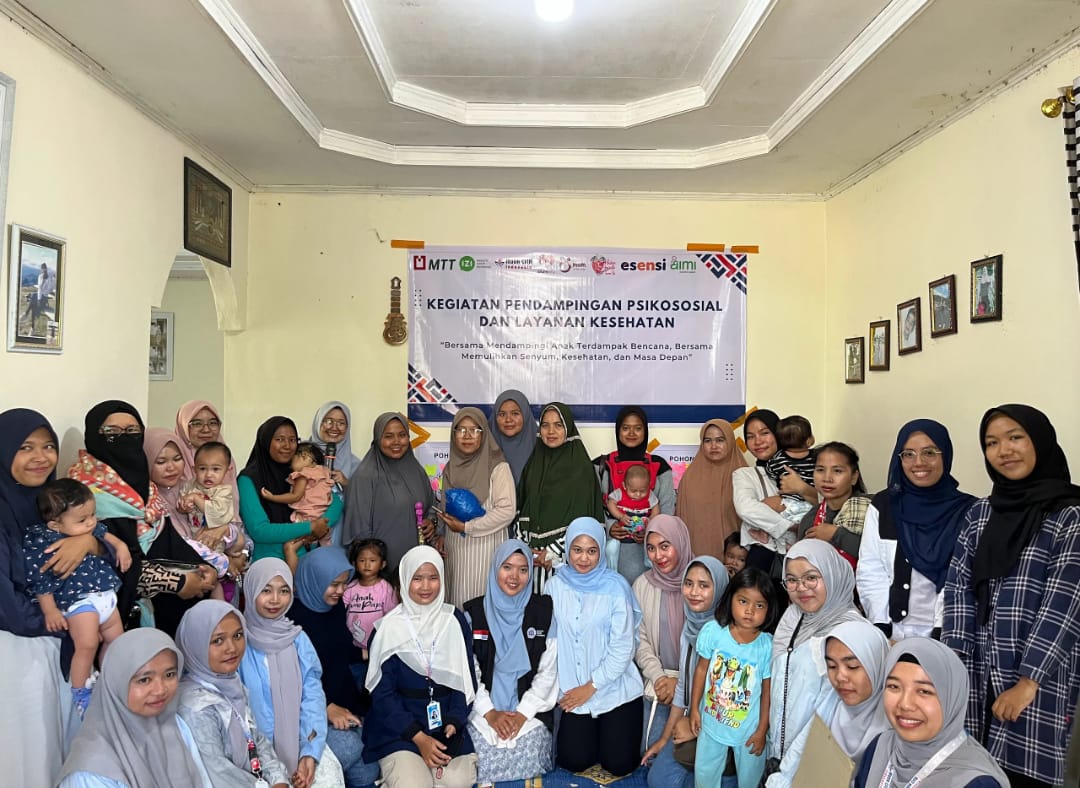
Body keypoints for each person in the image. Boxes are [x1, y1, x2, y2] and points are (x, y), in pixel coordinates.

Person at [943, 404, 1080, 788]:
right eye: (992, 442)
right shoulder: (981, 513)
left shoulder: (1069, 516)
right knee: (975, 768)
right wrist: (955, 661)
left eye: (1015, 437)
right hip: (977, 668)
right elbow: (958, 588)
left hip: (1038, 676)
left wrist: (1029, 681)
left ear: (1040, 441)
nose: (1004, 450)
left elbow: (1065, 604)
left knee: (1025, 771)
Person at [1, 408, 107, 785]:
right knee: (30, 758)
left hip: (65, 645)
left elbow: (111, 560)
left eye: (48, 446)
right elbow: (6, 603)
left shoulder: (56, 501)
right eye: (25, 447)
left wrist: (89, 543)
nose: (40, 457)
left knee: (64, 751)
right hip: (18, 653)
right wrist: (63, 623)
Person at [70, 401, 217, 636]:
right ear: (95, 436)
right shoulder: (81, 495)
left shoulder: (146, 488)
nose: (124, 438)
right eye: (112, 432)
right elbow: (108, 563)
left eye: (132, 431)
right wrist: (175, 582)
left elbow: (169, 540)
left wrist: (204, 568)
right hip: (114, 619)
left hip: (166, 608)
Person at [363, 546, 478, 787]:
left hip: (443, 725)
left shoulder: (454, 621)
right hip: (400, 729)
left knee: (457, 782)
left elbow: (466, 679)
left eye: (433, 577)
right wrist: (418, 737)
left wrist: (454, 721)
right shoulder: (387, 629)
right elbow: (383, 696)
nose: (426, 586)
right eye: (417, 578)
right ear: (404, 580)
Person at [858, 420, 975, 640]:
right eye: (908, 454)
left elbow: (962, 578)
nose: (919, 462)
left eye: (929, 453)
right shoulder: (885, 505)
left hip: (947, 632)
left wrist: (942, 631)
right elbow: (871, 569)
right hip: (892, 632)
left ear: (946, 455)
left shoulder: (969, 510)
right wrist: (882, 626)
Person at [546, 517, 644, 777]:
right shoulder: (554, 586)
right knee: (573, 760)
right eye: (577, 550)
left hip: (614, 689)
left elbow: (623, 648)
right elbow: (551, 642)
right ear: (568, 549)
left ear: (601, 551)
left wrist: (590, 687)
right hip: (573, 690)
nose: (583, 558)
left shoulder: (616, 587)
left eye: (592, 551)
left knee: (620, 764)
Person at [24, 479, 131, 716]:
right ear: (55, 524)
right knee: (87, 644)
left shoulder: (90, 528)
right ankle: (80, 691)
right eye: (82, 520)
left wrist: (121, 546)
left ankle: (110, 679)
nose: (91, 522)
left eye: (92, 514)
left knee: (116, 641)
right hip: (79, 602)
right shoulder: (43, 541)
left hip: (105, 595)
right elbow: (40, 579)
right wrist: (50, 610)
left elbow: (107, 536)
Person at [57, 628, 213, 788]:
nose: (160, 690)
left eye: (169, 675)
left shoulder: (176, 727)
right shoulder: (90, 773)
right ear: (117, 682)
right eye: (144, 680)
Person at [765, 540, 865, 788]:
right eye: (791, 580)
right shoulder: (794, 615)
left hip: (814, 760)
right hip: (778, 752)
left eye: (811, 578)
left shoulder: (850, 633)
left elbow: (828, 713)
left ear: (831, 574)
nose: (801, 588)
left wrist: (786, 773)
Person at [281, 547, 378, 787]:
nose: (341, 591)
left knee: (369, 770)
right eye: (334, 584)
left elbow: (340, 646)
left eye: (344, 584)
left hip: (345, 696)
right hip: (310, 708)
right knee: (350, 749)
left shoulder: (334, 606)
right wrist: (326, 708)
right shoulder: (291, 619)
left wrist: (371, 654)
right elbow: (288, 679)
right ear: (315, 579)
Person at [462, 539, 557, 783]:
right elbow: (469, 671)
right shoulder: (473, 613)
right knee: (477, 755)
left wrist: (523, 713)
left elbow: (549, 671)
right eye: (507, 567)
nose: (514, 577)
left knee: (532, 752)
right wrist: (490, 713)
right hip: (484, 710)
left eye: (523, 569)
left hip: (529, 711)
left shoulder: (544, 611)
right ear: (495, 569)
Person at [855, 638, 1009, 788]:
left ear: (952, 698)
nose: (905, 704)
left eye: (924, 691)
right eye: (894, 686)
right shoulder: (880, 746)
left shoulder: (977, 782)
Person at [175, 600, 293, 788]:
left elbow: (256, 739)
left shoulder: (230, 684)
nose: (232, 648)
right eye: (218, 640)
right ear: (196, 644)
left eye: (238, 635)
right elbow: (219, 775)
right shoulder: (195, 706)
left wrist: (278, 780)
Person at [643, 556, 729, 788]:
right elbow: (683, 686)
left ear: (720, 588)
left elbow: (728, 702)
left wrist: (696, 727)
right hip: (693, 719)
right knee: (658, 780)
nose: (694, 592)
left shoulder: (728, 637)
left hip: (723, 728)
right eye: (688, 583)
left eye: (704, 585)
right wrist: (664, 738)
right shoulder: (690, 627)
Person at [691, 567, 778, 788]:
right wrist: (694, 708)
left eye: (759, 605)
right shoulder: (714, 632)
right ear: (731, 599)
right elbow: (701, 670)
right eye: (743, 601)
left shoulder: (767, 646)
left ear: (769, 609)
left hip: (749, 730)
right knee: (704, 773)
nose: (750, 611)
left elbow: (767, 692)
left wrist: (762, 730)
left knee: (750, 779)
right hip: (711, 721)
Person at [517, 403, 604, 591]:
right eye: (545, 425)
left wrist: (552, 552)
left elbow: (585, 520)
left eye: (558, 425)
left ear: (568, 429)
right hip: (531, 563)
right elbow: (521, 509)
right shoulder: (533, 465)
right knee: (535, 607)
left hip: (566, 560)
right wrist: (525, 548)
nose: (551, 431)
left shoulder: (581, 469)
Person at [340, 413, 436, 576]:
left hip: (417, 566)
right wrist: (373, 570)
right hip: (381, 571)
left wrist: (431, 523)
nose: (396, 442)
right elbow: (359, 530)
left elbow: (431, 506)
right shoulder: (365, 476)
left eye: (402, 435)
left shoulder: (416, 471)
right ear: (378, 439)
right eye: (388, 436)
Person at [439, 407, 516, 606]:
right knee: (457, 604)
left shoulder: (498, 467)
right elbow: (446, 507)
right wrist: (441, 534)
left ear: (484, 434)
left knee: (480, 608)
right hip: (455, 551)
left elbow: (507, 511)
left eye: (475, 430)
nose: (467, 436)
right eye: (461, 430)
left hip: (485, 551)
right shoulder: (450, 468)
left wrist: (467, 527)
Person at [144, 429, 241, 583]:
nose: (171, 467)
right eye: (161, 462)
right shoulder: (147, 499)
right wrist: (226, 562)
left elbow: (238, 536)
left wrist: (225, 529)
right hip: (178, 582)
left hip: (213, 572)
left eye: (177, 458)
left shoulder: (194, 486)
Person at [238, 417, 341, 562]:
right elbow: (260, 531)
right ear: (266, 441)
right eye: (280, 439)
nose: (287, 445)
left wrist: (321, 526)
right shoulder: (248, 479)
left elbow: (335, 502)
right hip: (270, 560)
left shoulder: (299, 471)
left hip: (307, 555)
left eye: (292, 440)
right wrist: (310, 527)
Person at [593, 406, 676, 582]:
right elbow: (592, 506)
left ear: (645, 431)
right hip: (610, 557)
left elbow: (667, 509)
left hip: (650, 557)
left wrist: (651, 531)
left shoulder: (660, 466)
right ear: (617, 430)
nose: (631, 433)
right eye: (625, 428)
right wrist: (610, 527)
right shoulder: (601, 465)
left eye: (638, 428)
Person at [632, 514, 693, 750]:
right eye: (651, 548)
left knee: (681, 752)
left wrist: (681, 682)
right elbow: (639, 640)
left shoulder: (701, 582)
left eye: (665, 546)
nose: (658, 556)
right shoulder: (642, 585)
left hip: (696, 683)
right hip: (659, 681)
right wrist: (659, 677)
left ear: (680, 541)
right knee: (647, 749)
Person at [733, 410, 808, 578]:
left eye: (765, 433)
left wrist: (800, 489)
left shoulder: (804, 467)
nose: (758, 441)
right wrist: (791, 526)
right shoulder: (745, 475)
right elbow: (746, 509)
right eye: (750, 436)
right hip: (763, 559)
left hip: (803, 557)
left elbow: (822, 506)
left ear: (778, 434)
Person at [819, 621, 890, 771]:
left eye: (852, 666)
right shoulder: (827, 711)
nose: (840, 677)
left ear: (877, 664)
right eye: (832, 666)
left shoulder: (897, 729)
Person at [676, 419, 747, 559]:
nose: (714, 446)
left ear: (730, 442)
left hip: (735, 558)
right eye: (708, 441)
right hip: (696, 556)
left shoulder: (744, 475)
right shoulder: (689, 478)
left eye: (720, 440)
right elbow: (682, 520)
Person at [797, 442, 870, 565]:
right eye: (820, 470)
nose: (827, 478)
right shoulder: (810, 518)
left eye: (837, 471)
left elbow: (881, 554)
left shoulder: (871, 509)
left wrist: (837, 535)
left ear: (854, 477)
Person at [343, 538, 399, 686]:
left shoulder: (386, 588)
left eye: (372, 560)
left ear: (383, 564)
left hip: (377, 650)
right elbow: (340, 612)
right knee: (356, 683)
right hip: (355, 649)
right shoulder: (350, 588)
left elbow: (392, 617)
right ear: (354, 563)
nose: (367, 565)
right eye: (362, 560)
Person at [179, 441, 247, 562]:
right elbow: (181, 501)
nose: (208, 474)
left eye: (216, 469)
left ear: (227, 471)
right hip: (195, 533)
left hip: (218, 537)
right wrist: (184, 506)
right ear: (194, 469)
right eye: (202, 469)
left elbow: (216, 514)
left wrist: (195, 498)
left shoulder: (224, 491)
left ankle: (223, 563)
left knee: (212, 555)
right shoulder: (190, 485)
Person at [174, 400, 242, 513]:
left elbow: (232, 506)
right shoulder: (172, 460)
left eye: (213, 423)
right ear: (183, 426)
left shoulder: (224, 457)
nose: (206, 429)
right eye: (197, 423)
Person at [261, 442, 334, 545]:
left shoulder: (303, 475)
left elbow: (295, 496)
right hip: (323, 518)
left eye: (294, 457)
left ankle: (293, 556)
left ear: (304, 457)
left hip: (308, 518)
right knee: (324, 546)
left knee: (289, 547)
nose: (291, 461)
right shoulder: (324, 472)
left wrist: (272, 497)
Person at [763, 416, 817, 527]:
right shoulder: (816, 457)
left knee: (764, 504)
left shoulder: (778, 459)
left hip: (789, 504)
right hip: (811, 505)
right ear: (808, 440)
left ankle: (762, 531)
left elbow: (769, 472)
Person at [310, 401, 362, 488]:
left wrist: (346, 484)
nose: (334, 428)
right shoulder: (300, 456)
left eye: (341, 423)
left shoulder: (356, 466)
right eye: (328, 421)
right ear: (318, 423)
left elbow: (362, 495)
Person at [490, 389, 537, 485]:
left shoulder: (542, 448)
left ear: (525, 414)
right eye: (502, 414)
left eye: (515, 413)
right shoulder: (484, 448)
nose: (508, 419)